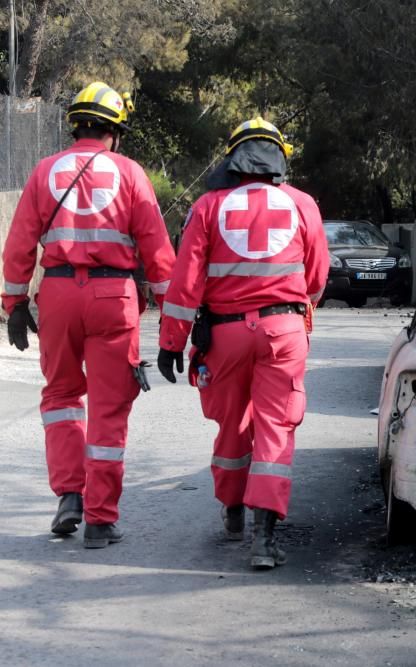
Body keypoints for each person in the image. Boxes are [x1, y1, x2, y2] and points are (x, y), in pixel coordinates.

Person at [1, 81, 176, 547]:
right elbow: (159, 255)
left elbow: (19, 244)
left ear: (75, 125)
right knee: (108, 407)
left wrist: (14, 304)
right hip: (112, 298)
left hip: (57, 294)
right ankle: (100, 519)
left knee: (60, 397)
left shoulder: (44, 172)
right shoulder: (131, 173)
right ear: (114, 132)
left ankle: (69, 497)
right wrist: (178, 322)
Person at [157, 117, 329, 570]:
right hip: (283, 333)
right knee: (276, 427)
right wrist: (295, 308)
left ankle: (233, 512)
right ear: (279, 158)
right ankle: (265, 538)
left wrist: (171, 342)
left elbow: (185, 281)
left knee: (232, 425)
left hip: (225, 335)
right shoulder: (302, 204)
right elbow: (316, 278)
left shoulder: (208, 206)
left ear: (232, 158)